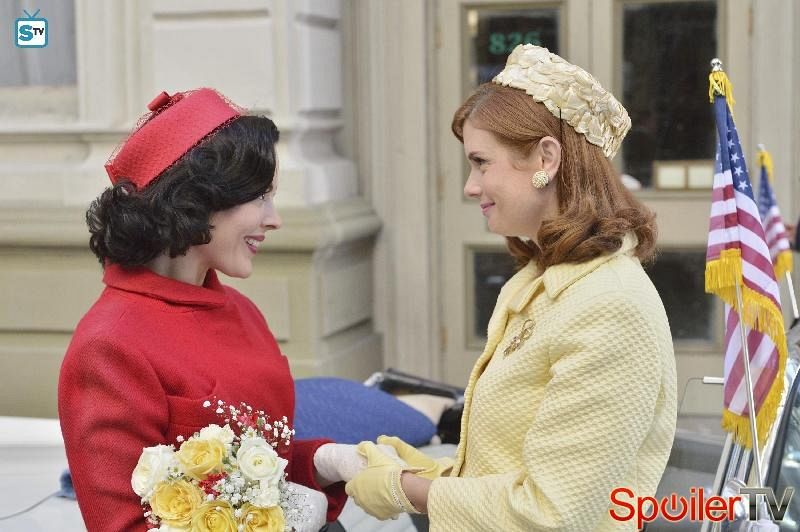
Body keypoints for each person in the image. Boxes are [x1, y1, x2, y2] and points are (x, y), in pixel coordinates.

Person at [345, 44, 677, 531]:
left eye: (481, 162)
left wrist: (409, 491)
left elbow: (555, 513)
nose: (470, 186)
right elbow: (513, 464)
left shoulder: (611, 305)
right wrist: (431, 472)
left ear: (546, 157)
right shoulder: (540, 281)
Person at [58, 88, 368, 531]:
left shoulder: (243, 311)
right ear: (198, 199)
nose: (274, 218)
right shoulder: (108, 346)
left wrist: (320, 462)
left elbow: (256, 474)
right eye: (259, 197)